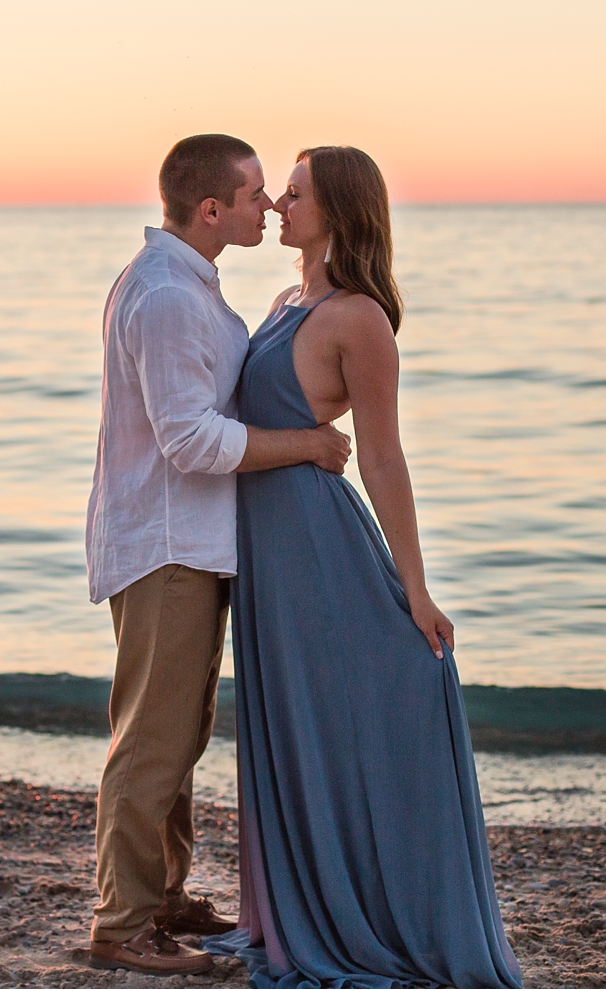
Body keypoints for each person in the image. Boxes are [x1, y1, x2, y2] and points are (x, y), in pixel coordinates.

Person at [205, 147, 524, 987]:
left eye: (297, 194)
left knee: (342, 721)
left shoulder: (359, 319)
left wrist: (415, 590)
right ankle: (299, 907)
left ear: (339, 210)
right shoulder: (282, 299)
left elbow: (382, 458)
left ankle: (378, 911)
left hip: (318, 550)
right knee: (291, 728)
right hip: (265, 553)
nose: (277, 203)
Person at [84, 134, 353, 976]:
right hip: (167, 544)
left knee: (181, 730)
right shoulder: (166, 295)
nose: (268, 205)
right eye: (255, 194)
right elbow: (190, 440)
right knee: (153, 739)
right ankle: (121, 924)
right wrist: (307, 444)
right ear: (212, 209)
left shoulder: (188, 285)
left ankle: (162, 894)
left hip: (191, 542)